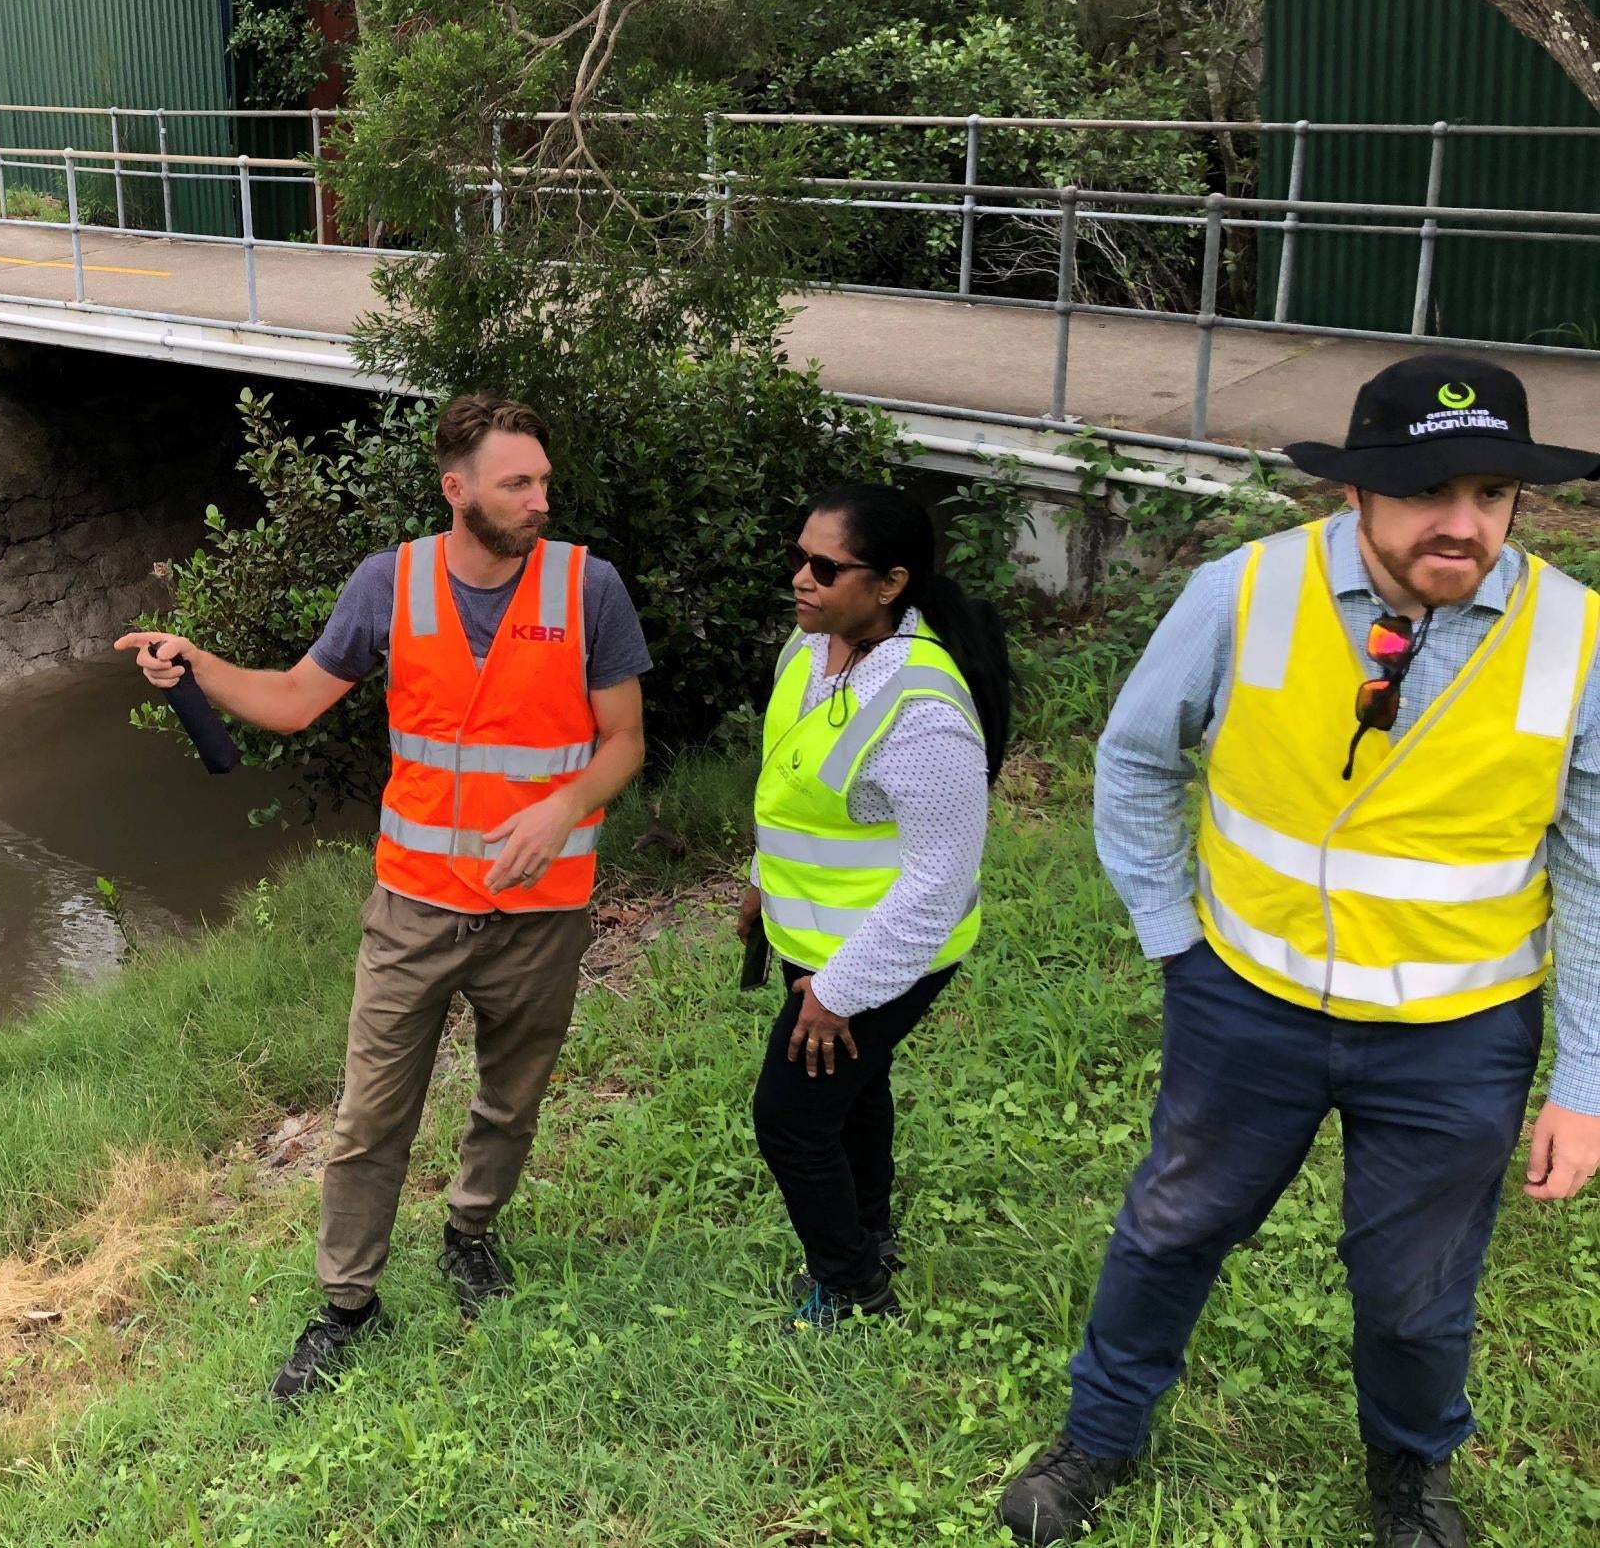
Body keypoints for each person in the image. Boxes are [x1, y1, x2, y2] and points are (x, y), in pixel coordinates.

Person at [1000, 353, 1600, 1548]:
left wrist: (1581, 1083)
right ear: (1355, 491)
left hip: (1457, 1035)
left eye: (1489, 493)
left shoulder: (1576, 638)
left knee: (1414, 1292)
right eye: (1426, 490)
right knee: (1171, 1229)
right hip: (1247, 1001)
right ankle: (1098, 1437)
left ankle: (1409, 1474)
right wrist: (1174, 940)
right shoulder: (1242, 591)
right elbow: (1133, 759)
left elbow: (1589, 870)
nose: (1462, 523)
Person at [117, 392, 650, 1402]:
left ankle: (470, 1234)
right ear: (457, 490)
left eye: (542, 481)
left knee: (511, 1097)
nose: (539, 500)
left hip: (542, 907)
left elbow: (622, 741)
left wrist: (562, 808)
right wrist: (197, 664)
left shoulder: (589, 589)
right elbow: (292, 699)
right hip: (414, 907)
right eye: (516, 483)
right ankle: (347, 1305)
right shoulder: (388, 585)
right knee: (368, 1117)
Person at [741, 483, 1010, 1329]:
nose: (801, 578)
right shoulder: (806, 649)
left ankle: (853, 1286)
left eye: (826, 567)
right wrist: (761, 879)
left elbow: (939, 881)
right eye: (798, 558)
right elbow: (792, 784)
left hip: (887, 954)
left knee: (790, 1118)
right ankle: (870, 1233)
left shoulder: (923, 711)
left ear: (891, 583)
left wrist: (837, 994)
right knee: (851, 1094)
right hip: (812, 936)